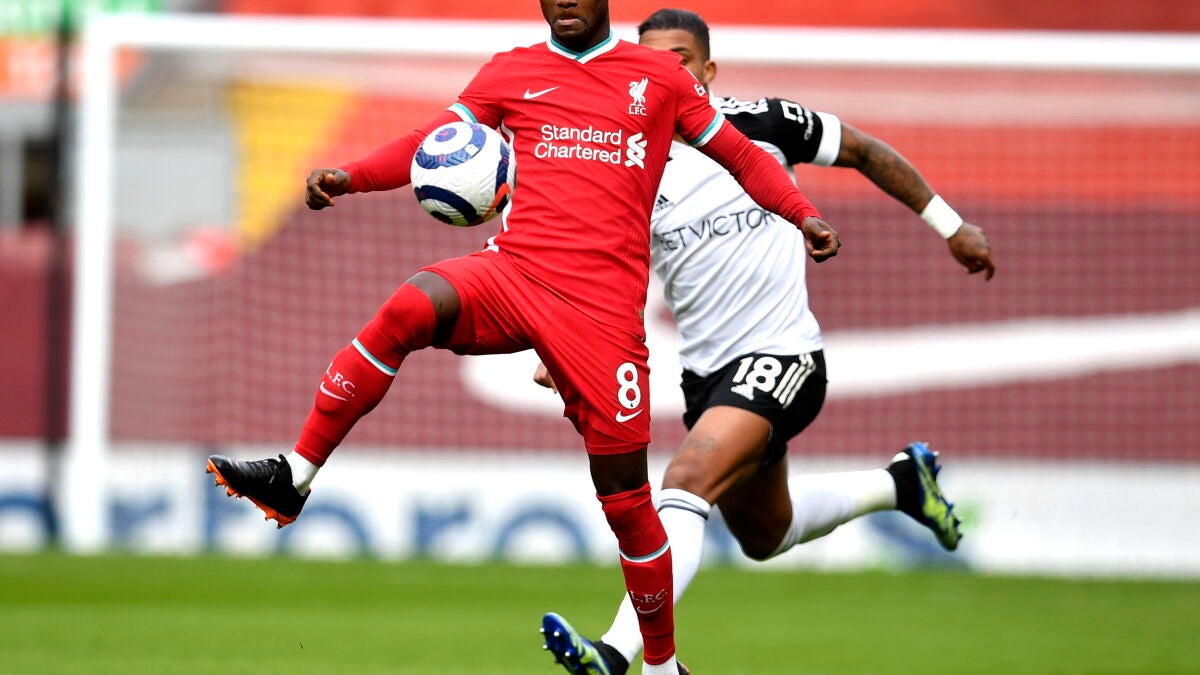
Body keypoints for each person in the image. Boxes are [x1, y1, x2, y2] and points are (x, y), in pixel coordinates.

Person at [203, 2, 841, 673]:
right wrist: (353, 176)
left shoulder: (658, 78)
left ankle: (659, 665)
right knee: (409, 307)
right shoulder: (513, 71)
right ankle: (295, 475)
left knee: (627, 502)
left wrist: (801, 214)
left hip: (601, 315)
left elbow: (741, 155)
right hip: (513, 273)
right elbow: (431, 140)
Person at [535, 8, 996, 675]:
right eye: (651, 60)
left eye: (680, 58)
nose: (666, 70)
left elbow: (865, 150)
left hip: (784, 357)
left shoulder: (764, 125)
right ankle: (900, 484)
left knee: (684, 481)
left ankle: (620, 653)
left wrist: (950, 226)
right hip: (707, 379)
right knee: (764, 533)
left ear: (708, 70)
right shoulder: (628, 164)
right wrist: (558, 347)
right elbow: (600, 270)